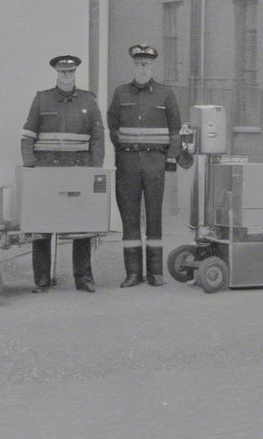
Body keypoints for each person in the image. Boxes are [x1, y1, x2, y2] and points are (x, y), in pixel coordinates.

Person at [20, 54, 105, 293]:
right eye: (63, 73)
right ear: (56, 74)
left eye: (71, 72)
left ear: (75, 74)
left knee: (82, 227)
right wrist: (31, 168)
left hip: (78, 171)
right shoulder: (42, 99)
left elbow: (98, 136)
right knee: (42, 227)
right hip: (47, 172)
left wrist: (94, 169)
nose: (67, 76)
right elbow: (28, 136)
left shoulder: (88, 100)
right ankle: (42, 280)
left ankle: (84, 279)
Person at [107, 44, 182, 287]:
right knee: (129, 216)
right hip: (127, 162)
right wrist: (124, 150)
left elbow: (175, 130)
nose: (142, 69)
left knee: (154, 215)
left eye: (146, 64)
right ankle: (132, 273)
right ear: (133, 65)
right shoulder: (120, 93)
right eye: (138, 64)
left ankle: (156, 272)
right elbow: (113, 126)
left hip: (154, 163)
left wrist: (169, 159)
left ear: (152, 66)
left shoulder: (165, 94)